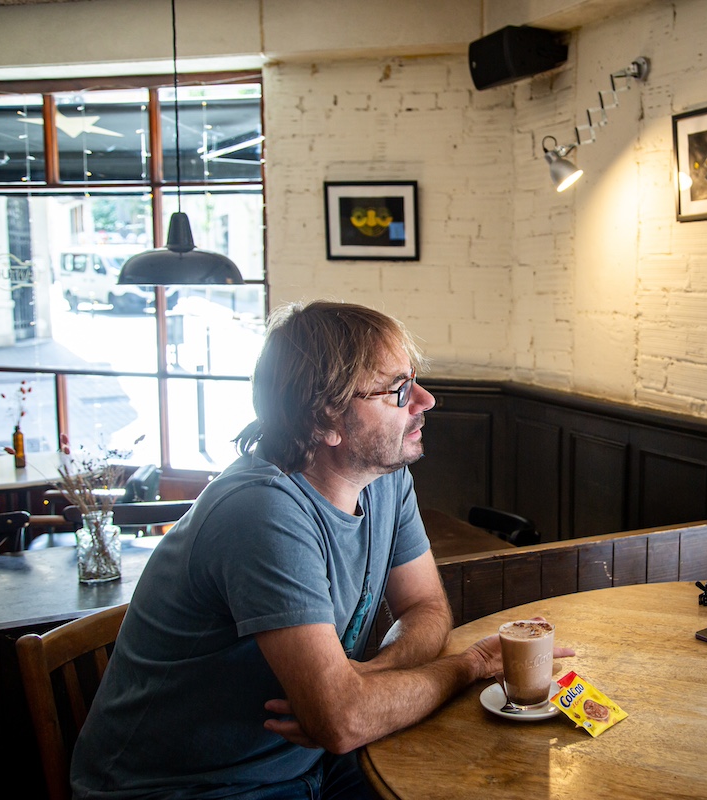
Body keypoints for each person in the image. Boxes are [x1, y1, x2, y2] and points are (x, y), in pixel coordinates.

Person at [71, 301, 571, 799]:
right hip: (192, 788)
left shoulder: (385, 482)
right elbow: (342, 721)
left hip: (311, 765)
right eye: (398, 390)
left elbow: (426, 608)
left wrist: (371, 678)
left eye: (413, 379)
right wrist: (469, 665)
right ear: (324, 420)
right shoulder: (262, 512)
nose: (426, 399)